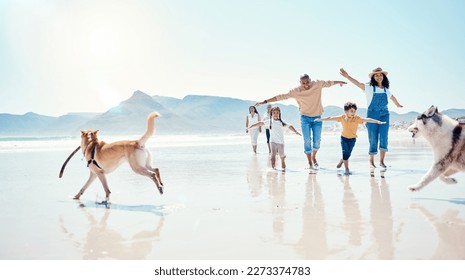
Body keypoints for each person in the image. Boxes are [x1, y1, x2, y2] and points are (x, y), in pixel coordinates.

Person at [255, 73, 346, 172]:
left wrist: (338, 82)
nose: (306, 85)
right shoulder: (296, 91)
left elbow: (329, 83)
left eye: (308, 82)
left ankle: (313, 157)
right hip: (305, 118)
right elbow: (281, 96)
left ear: (311, 80)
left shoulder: (317, 84)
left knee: (317, 141)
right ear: (300, 83)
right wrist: (264, 101)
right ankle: (310, 162)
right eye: (303, 83)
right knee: (307, 140)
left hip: (317, 117)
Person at [339, 67, 403, 169]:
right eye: (376, 75)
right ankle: (371, 161)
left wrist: (398, 104)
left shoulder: (386, 90)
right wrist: (348, 76)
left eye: (380, 75)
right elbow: (358, 83)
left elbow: (392, 97)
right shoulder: (369, 88)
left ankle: (382, 161)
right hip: (372, 115)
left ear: (383, 77)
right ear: (373, 77)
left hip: (385, 115)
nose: (379, 76)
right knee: (373, 137)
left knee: (384, 137)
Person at [316, 102, 386, 175]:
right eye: (351, 111)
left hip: (352, 139)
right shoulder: (342, 117)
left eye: (354, 111)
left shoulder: (357, 118)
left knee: (348, 154)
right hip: (344, 138)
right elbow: (330, 118)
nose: (353, 113)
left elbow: (367, 119)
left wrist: (377, 121)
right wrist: (320, 119)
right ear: (346, 111)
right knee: (345, 152)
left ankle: (342, 160)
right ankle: (347, 169)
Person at [248, 106, 301, 171]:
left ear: (279, 114)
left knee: (281, 155)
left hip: (280, 142)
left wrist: (295, 131)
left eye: (277, 113)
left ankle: (283, 160)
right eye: (274, 113)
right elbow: (260, 123)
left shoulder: (282, 122)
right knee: (273, 155)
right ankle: (273, 169)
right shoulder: (269, 121)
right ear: (271, 114)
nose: (275, 114)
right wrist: (252, 125)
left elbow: (290, 126)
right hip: (272, 141)